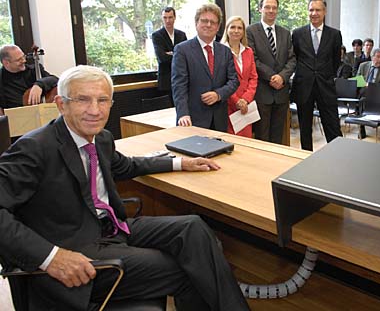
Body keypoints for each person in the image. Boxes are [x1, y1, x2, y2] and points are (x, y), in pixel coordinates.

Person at [0, 65, 250, 311]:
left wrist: (180, 162)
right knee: (187, 268)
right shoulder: (34, 148)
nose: (94, 110)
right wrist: (52, 257)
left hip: (110, 228)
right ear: (61, 104)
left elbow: (127, 166)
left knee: (193, 227)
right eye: (82, 100)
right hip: (75, 250)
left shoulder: (101, 138)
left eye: (102, 100)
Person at [172, 3, 239, 132]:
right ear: (196, 23)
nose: (208, 25)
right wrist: (183, 113)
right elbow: (179, 85)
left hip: (219, 119)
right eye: (204, 21)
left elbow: (234, 81)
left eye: (213, 22)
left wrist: (218, 94)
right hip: (192, 119)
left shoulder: (225, 51)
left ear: (218, 27)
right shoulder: (182, 50)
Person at [291, 0, 343, 151]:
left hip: (325, 86)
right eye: (311, 10)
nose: (314, 13)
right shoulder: (298, 33)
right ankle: (306, 157)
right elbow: (296, 58)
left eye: (318, 10)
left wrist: (324, 75)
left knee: (332, 126)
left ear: (324, 12)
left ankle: (337, 156)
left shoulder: (334, 34)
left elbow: (335, 62)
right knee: (305, 128)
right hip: (304, 87)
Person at [246, 0, 296, 144]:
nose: (271, 11)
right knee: (262, 136)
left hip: (281, 93)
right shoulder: (250, 31)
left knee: (278, 136)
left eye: (274, 8)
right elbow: (252, 59)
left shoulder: (285, 33)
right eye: (267, 7)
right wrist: (272, 76)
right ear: (260, 9)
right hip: (262, 93)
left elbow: (292, 59)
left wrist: (282, 77)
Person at [221, 16, 258, 138]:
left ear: (243, 32)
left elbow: (253, 78)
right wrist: (236, 101)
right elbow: (222, 81)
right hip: (228, 104)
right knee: (230, 141)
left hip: (246, 106)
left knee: (246, 141)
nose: (236, 31)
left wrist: (246, 99)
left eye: (239, 28)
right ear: (227, 30)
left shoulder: (248, 51)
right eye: (232, 27)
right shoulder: (220, 51)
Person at [0, 44, 58, 109]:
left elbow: (55, 79)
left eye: (23, 56)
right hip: (16, 116)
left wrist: (39, 84)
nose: (24, 60)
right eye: (19, 60)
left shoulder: (33, 70)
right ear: (6, 63)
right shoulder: (1, 79)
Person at [151, 7, 187, 100]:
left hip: (182, 80)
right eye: (165, 18)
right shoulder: (157, 35)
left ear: (175, 18)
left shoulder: (181, 35)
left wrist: (171, 54)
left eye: (170, 17)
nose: (168, 20)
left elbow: (187, 56)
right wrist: (178, 54)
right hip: (166, 81)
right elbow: (162, 58)